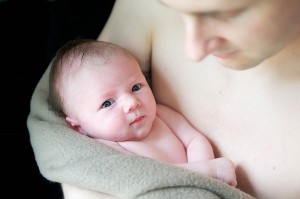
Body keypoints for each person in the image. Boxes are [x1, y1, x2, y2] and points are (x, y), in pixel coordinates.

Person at [27, 0, 300, 199]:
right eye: (177, 13)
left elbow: (193, 144)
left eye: (228, 13)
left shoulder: (162, 118)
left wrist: (202, 172)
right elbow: (63, 109)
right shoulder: (144, 8)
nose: (192, 51)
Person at [48, 38, 237, 186]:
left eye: (136, 87)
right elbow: (151, 178)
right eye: (107, 103)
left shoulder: (161, 115)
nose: (132, 103)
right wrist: (209, 171)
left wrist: (205, 173)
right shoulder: (107, 148)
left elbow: (195, 140)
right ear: (78, 126)